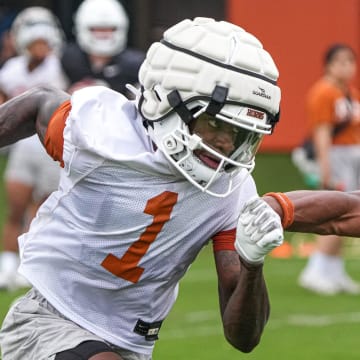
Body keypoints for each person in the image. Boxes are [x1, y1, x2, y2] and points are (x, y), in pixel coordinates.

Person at [0, 17, 282, 360]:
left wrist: (253, 264)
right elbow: (39, 103)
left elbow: (244, 339)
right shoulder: (103, 129)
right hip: (49, 320)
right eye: (216, 123)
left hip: (130, 345)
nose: (226, 144)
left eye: (242, 135)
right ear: (172, 102)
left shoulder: (232, 189)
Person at [0, 7, 67, 290]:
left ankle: (27, 267)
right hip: (21, 149)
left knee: (39, 212)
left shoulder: (61, 65)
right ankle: (6, 266)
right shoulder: (10, 70)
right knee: (15, 208)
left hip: (48, 147)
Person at [293, 43, 360, 295]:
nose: (346, 67)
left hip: (352, 156)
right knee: (336, 210)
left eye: (350, 61)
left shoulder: (350, 93)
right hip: (334, 157)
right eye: (340, 62)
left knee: (351, 210)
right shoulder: (323, 92)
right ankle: (316, 270)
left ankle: (334, 270)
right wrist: (326, 169)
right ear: (328, 65)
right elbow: (321, 132)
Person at [61, 0, 145, 96]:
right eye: (97, 29)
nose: (104, 35)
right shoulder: (67, 58)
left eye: (110, 29)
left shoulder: (135, 64)